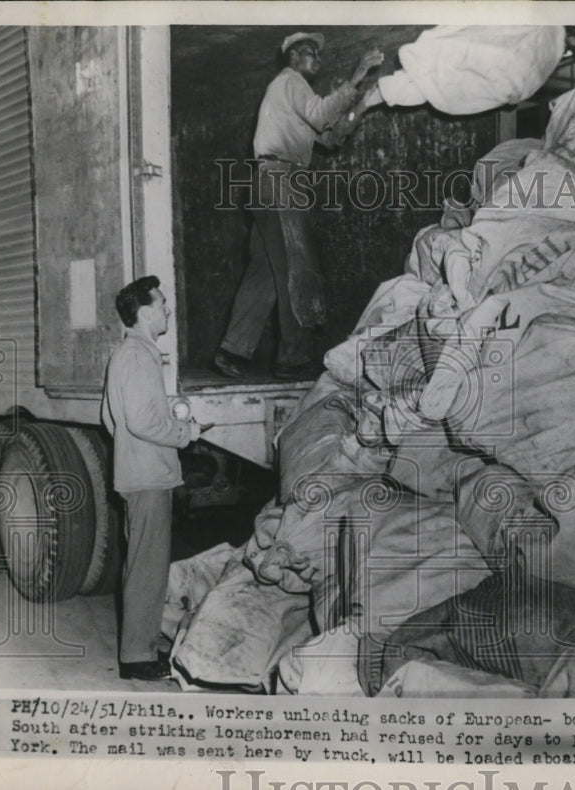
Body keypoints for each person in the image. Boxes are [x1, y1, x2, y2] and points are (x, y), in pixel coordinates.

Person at [213, 32, 385, 381]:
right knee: (296, 267)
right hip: (280, 180)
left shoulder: (293, 97)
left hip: (267, 182)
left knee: (265, 272)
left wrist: (362, 105)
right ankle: (293, 359)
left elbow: (330, 135)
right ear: (293, 57)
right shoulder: (290, 81)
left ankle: (232, 350)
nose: (317, 60)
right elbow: (322, 115)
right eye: (310, 54)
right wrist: (356, 76)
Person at [102, 276, 202, 681]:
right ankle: (139, 658)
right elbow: (142, 419)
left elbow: (111, 418)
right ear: (143, 312)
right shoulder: (141, 355)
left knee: (141, 564)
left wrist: (133, 448)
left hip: (137, 473)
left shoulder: (125, 353)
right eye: (161, 304)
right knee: (148, 568)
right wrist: (185, 434)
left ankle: (138, 644)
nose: (167, 310)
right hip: (149, 478)